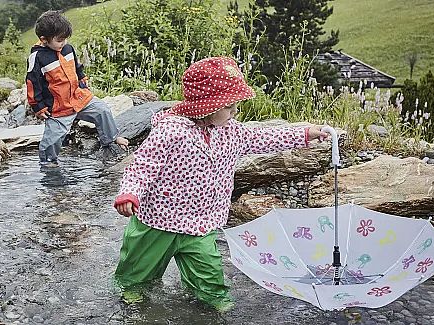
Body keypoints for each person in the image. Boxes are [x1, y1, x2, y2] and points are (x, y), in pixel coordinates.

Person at [112, 57, 329, 312]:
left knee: (210, 279)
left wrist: (303, 134)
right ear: (206, 106)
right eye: (230, 106)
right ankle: (131, 303)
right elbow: (143, 165)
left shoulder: (231, 131)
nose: (235, 111)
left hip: (200, 224)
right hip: (157, 222)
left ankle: (214, 306)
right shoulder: (171, 132)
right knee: (136, 275)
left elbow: (263, 137)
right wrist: (129, 193)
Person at [26, 10, 128, 168]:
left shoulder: (68, 49)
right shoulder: (38, 58)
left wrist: (82, 80)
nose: (64, 42)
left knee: (103, 110)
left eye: (66, 38)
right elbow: (32, 83)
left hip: (79, 97)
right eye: (60, 40)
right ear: (44, 40)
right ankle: (48, 164)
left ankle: (110, 138)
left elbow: (77, 67)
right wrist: (38, 107)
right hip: (58, 107)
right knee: (52, 140)